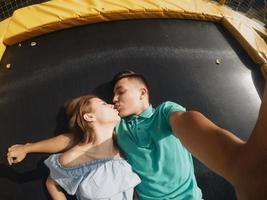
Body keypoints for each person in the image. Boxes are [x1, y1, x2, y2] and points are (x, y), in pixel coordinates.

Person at [7, 70, 267, 199]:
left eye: (120, 92)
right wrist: (29, 147)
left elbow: (189, 122)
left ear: (142, 93)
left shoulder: (166, 113)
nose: (115, 99)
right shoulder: (117, 128)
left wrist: (235, 162)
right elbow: (76, 139)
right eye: (112, 96)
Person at [40, 94, 140, 200]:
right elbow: (51, 183)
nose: (112, 105)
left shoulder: (124, 145)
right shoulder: (75, 157)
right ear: (89, 116)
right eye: (103, 104)